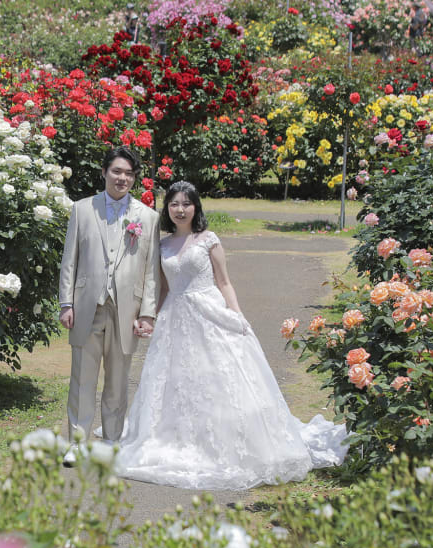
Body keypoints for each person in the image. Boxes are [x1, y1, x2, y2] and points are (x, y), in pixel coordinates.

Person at [115, 181, 347, 489]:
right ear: (167, 209)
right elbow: (165, 287)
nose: (180, 209)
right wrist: (151, 317)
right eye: (174, 204)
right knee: (178, 379)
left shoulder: (208, 239)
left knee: (218, 374)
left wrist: (237, 315)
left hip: (209, 311)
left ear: (195, 207)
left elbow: (224, 283)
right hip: (175, 317)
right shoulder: (163, 245)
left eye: (186, 203)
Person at [58, 146, 161, 459]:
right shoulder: (82, 209)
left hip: (126, 310)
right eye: (117, 171)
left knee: (118, 381)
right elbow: (69, 260)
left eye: (129, 174)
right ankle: (77, 442)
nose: (123, 178)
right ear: (104, 172)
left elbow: (151, 271)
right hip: (87, 305)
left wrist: (148, 313)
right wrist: (66, 303)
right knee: (82, 381)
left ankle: (111, 442)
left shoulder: (148, 217)